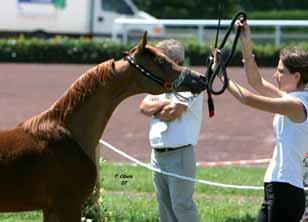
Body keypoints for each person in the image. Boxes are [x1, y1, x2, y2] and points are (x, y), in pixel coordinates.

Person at [213, 20, 308, 222]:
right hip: (279, 188)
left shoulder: (296, 105)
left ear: (297, 75)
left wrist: (222, 76)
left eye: (281, 71)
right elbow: (256, 81)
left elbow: (247, 98)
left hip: (285, 191)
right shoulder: (293, 99)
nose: (275, 75)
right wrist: (247, 46)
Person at [139, 39, 203, 222]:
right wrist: (165, 103)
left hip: (180, 154)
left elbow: (172, 113)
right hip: (158, 155)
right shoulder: (161, 83)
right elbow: (143, 106)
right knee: (165, 209)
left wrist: (157, 106)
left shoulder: (193, 83)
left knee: (181, 206)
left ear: (175, 61)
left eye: (162, 61)